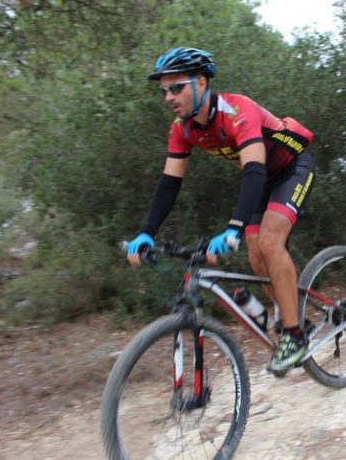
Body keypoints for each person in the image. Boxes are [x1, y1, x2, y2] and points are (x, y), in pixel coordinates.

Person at [125, 47, 316, 373]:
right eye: (164, 90)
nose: (169, 96)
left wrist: (233, 228)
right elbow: (169, 185)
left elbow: (254, 171)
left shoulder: (237, 110)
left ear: (200, 82)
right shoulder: (182, 129)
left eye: (177, 87)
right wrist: (147, 233)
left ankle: (295, 335)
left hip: (290, 169)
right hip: (263, 178)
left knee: (270, 242)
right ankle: (292, 316)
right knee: (256, 257)